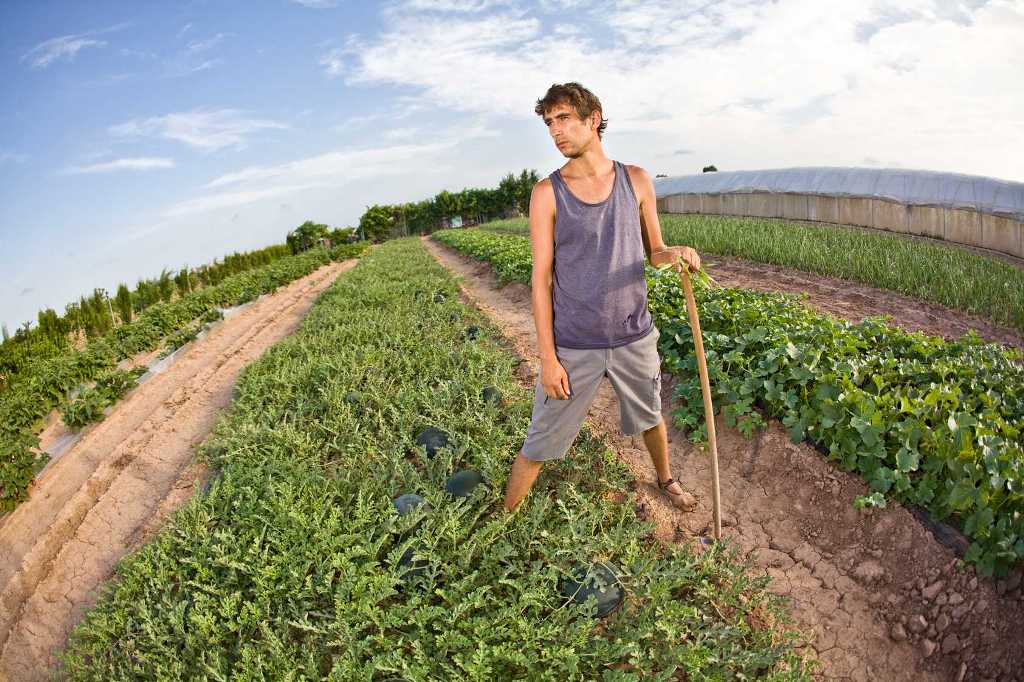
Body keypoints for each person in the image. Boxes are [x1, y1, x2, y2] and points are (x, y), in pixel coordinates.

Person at [503, 82, 702, 513]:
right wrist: (548, 359)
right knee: (540, 439)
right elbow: (541, 280)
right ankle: (504, 519)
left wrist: (677, 254)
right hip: (575, 344)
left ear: (593, 119)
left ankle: (665, 479)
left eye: (564, 119)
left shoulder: (637, 180)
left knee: (650, 416)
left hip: (633, 334)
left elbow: (656, 254)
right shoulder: (546, 194)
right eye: (549, 123)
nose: (555, 132)